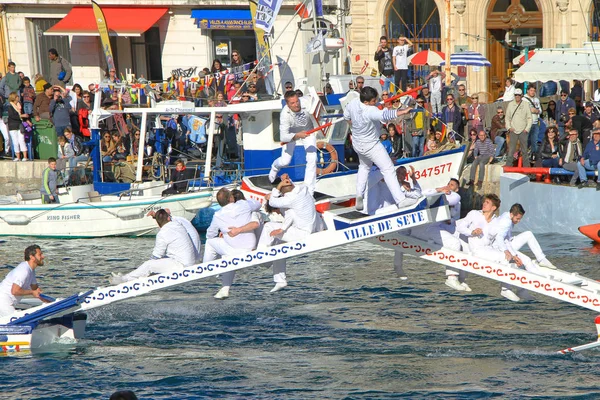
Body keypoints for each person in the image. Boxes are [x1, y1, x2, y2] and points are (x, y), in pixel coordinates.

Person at [343, 86, 416, 211]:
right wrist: (403, 111)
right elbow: (387, 114)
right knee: (388, 169)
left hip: (357, 143)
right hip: (371, 145)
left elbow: (346, 117)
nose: (376, 102)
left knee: (364, 167)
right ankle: (401, 200)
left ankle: (359, 195)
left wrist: (355, 124)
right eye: (374, 100)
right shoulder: (370, 111)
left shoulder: (353, 103)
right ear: (367, 102)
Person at [483, 203, 556, 302]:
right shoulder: (506, 222)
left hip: (507, 243)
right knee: (526, 260)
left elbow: (506, 238)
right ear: (512, 214)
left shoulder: (506, 215)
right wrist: (512, 254)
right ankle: (540, 279)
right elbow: (500, 238)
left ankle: (541, 259)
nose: (519, 221)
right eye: (517, 218)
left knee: (528, 235)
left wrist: (514, 254)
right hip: (500, 247)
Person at [261, 175, 317, 292]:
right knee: (278, 246)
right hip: (310, 229)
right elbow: (290, 193)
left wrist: (280, 185)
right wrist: (286, 181)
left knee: (268, 226)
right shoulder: (303, 189)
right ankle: (280, 280)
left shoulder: (290, 199)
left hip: (301, 233)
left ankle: (261, 255)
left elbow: (273, 201)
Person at [110, 209, 196, 284]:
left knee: (149, 265)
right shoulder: (178, 225)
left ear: (158, 223)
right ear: (168, 218)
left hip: (182, 266)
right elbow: (167, 218)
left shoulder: (162, 234)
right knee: (153, 264)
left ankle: (125, 279)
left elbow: (156, 256)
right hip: (187, 262)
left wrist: (145, 269)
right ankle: (136, 276)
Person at [204, 188, 262, 299]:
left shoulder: (217, 215)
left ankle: (208, 271)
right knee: (226, 256)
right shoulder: (243, 205)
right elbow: (258, 203)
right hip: (250, 247)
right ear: (231, 198)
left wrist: (223, 232)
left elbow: (210, 234)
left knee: (210, 242)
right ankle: (225, 288)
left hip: (234, 248)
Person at [268, 90, 318, 193]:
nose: (296, 105)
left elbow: (317, 103)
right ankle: (274, 167)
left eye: (297, 101)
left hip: (308, 131)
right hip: (291, 134)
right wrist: (297, 135)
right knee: (285, 161)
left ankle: (309, 190)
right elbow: (283, 137)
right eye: (292, 103)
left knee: (312, 158)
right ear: (287, 104)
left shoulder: (307, 102)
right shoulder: (284, 114)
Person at [454, 194, 501, 290]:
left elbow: (496, 240)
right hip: (476, 250)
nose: (484, 203)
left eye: (487, 203)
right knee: (504, 258)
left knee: (506, 256)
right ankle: (507, 289)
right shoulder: (474, 214)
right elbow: (460, 227)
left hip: (488, 249)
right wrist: (472, 232)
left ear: (493, 207)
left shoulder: (496, 221)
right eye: (484, 201)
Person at [0, 245, 50, 317]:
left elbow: (36, 291)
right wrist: (32, 292)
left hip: (8, 301)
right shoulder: (24, 271)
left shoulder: (31, 270)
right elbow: (15, 291)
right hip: (2, 300)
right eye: (40, 254)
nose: (43, 257)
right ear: (32, 257)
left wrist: (52, 303)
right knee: (17, 322)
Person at [505, 88, 533, 166]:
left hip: (523, 131)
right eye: (516, 95)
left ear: (521, 96)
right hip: (513, 130)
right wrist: (509, 128)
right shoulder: (510, 104)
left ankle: (527, 169)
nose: (517, 96)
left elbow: (529, 118)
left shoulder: (526, 104)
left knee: (524, 151)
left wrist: (527, 129)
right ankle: (508, 168)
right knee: (511, 150)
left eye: (518, 95)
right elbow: (507, 118)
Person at [7, 92, 29, 162]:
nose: (18, 98)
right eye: (17, 97)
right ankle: (18, 157)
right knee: (15, 142)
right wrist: (21, 116)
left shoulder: (19, 106)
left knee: (21, 140)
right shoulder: (9, 106)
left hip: (19, 125)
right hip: (12, 126)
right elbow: (12, 116)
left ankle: (25, 156)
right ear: (14, 98)